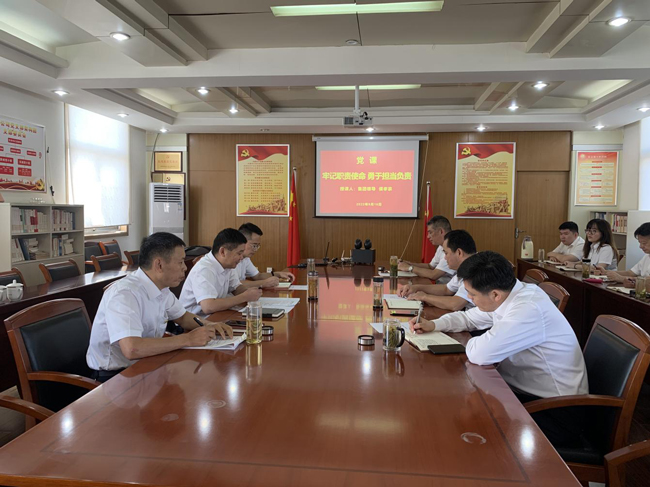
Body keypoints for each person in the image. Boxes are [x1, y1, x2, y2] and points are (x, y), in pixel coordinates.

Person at [409, 251, 588, 446]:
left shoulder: (527, 308)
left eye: (472, 294)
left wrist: (477, 341)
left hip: (555, 411)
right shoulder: (509, 294)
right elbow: (468, 318)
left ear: (495, 294)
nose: (469, 298)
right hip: (521, 393)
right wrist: (434, 325)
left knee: (473, 433)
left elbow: (479, 354)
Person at [87, 232, 233, 383]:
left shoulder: (161, 289)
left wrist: (211, 325)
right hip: (114, 377)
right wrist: (188, 339)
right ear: (159, 265)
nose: (184, 268)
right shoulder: (125, 294)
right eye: (180, 262)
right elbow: (132, 348)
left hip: (145, 364)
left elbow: (183, 317)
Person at [180, 228, 263, 315]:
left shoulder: (227, 265)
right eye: (239, 253)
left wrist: (249, 292)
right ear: (223, 252)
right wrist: (244, 297)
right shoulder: (204, 269)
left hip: (215, 316)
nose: (241, 257)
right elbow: (208, 306)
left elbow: (236, 287)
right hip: (195, 320)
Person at [398, 230, 476, 311]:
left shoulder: (476, 269)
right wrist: (416, 287)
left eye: (446, 253)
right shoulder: (466, 266)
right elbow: (446, 289)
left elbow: (455, 304)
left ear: (459, 252)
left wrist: (425, 297)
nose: (445, 258)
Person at [236, 223, 295, 288]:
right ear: (242, 241)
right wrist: (264, 283)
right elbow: (235, 283)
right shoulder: (231, 258)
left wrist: (279, 274)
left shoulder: (246, 258)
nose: (256, 250)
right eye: (254, 245)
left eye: (258, 246)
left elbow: (258, 276)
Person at [398, 215, 454, 283]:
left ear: (441, 231)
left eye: (430, 232)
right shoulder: (441, 246)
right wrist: (409, 264)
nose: (428, 236)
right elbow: (430, 266)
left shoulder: (452, 248)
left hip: (448, 288)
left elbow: (433, 275)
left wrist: (409, 268)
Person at [603, 222, 650, 287]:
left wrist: (621, 278)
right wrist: (605, 272)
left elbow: (648, 281)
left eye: (644, 243)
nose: (640, 246)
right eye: (640, 243)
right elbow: (630, 273)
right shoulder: (647, 257)